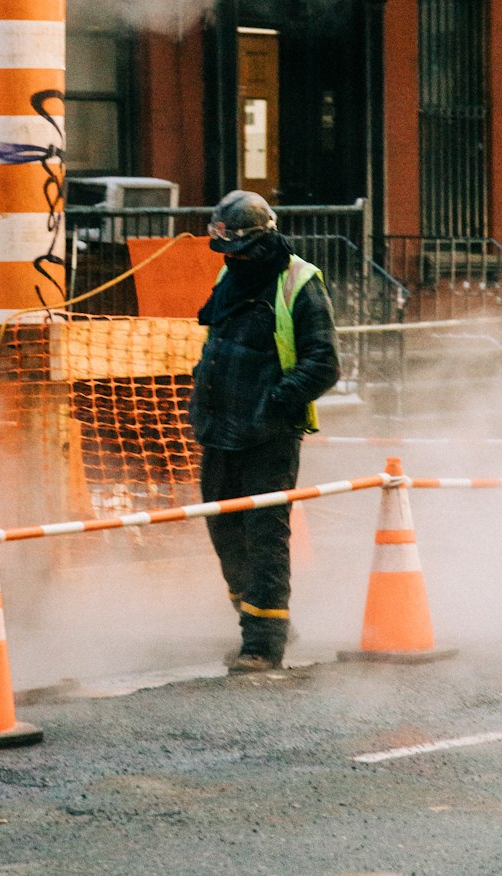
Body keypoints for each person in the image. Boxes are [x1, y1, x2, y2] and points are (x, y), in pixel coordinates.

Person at [189, 189, 340, 672]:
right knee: (224, 533)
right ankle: (264, 615)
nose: (228, 256)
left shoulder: (300, 282)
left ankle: (262, 644)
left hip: (268, 435)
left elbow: (324, 363)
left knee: (265, 536)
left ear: (258, 239)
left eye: (234, 246)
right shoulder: (229, 275)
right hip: (219, 430)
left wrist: (276, 400)